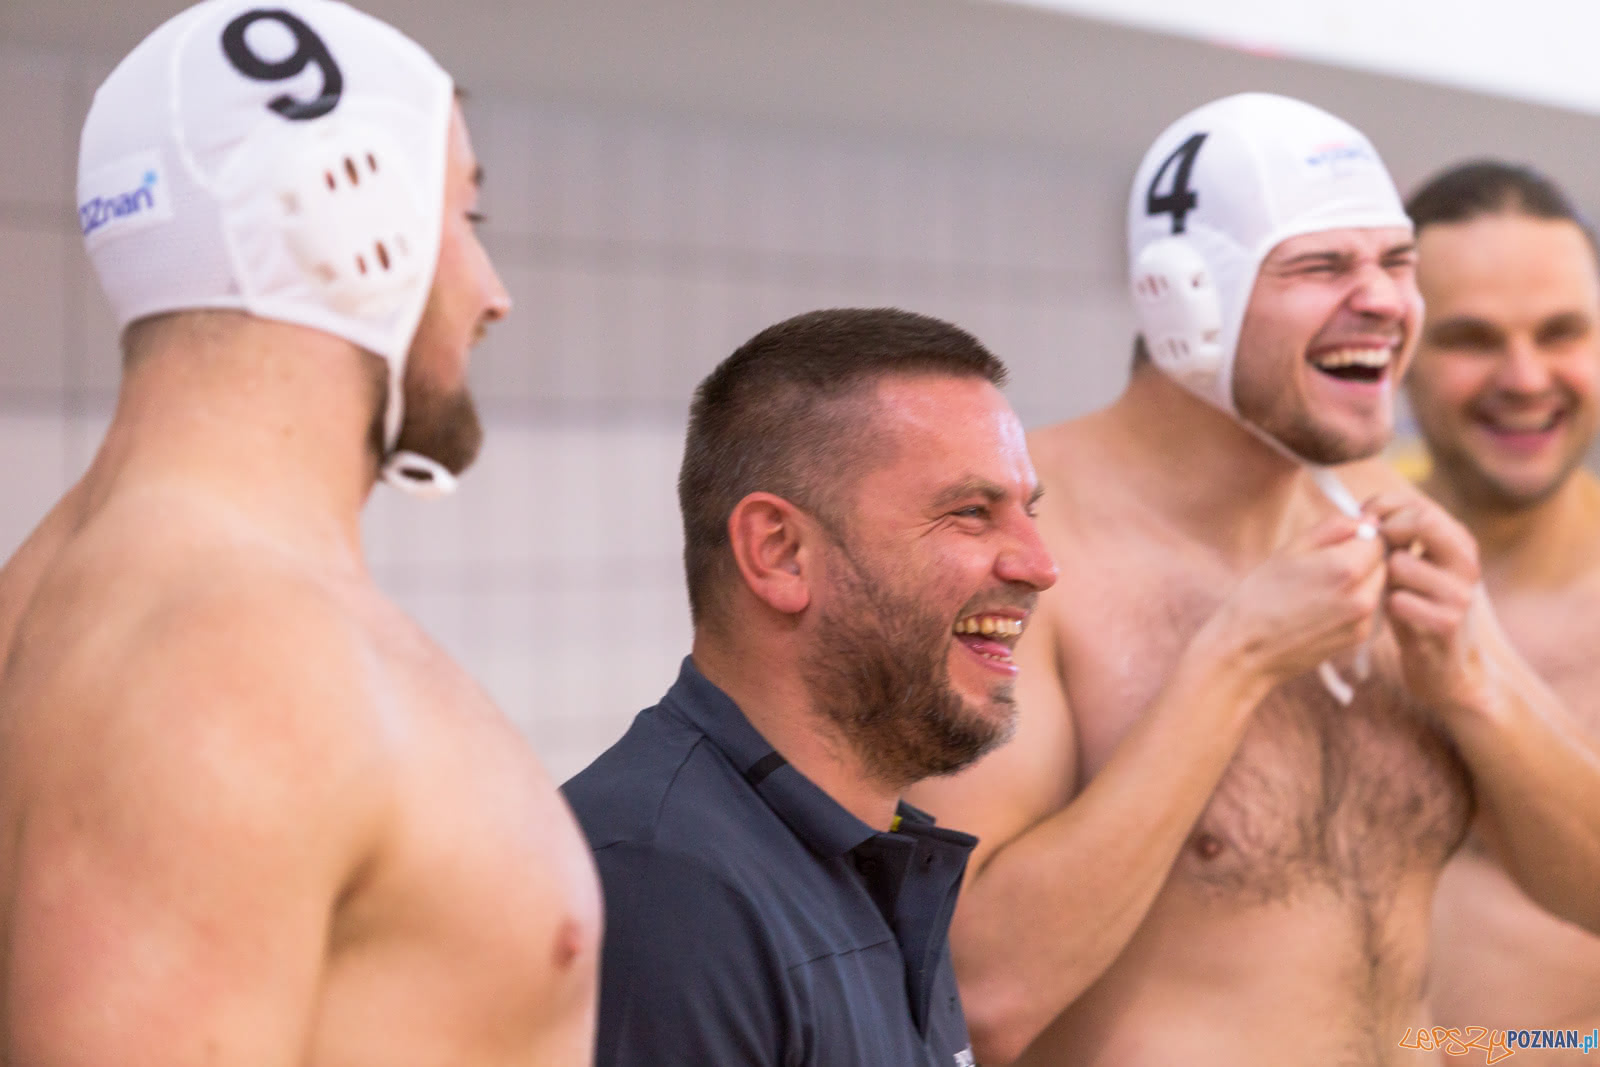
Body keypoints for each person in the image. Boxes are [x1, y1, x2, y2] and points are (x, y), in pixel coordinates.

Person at [906, 93, 1600, 1066]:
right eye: (1321, 265)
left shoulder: (1388, 527)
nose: (1384, 303)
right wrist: (1232, 663)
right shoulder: (1021, 550)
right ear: (1182, 297)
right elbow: (974, 992)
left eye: (1395, 266)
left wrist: (1475, 679)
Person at [0, 2, 600, 1062]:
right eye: (467, 218)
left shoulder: (67, 590)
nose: (492, 294)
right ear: (347, 218)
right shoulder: (234, 658)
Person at [562, 308, 1058, 1066]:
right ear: (781, 552)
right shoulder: (664, 886)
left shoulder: (863, 858)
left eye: (1028, 510)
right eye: (969, 513)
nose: (1038, 564)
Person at [1405, 160, 1600, 1057]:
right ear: (1397, 345)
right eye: (1474, 338)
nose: (1525, 377)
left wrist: (1512, 1052)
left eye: (1562, 332)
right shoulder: (1312, 565)